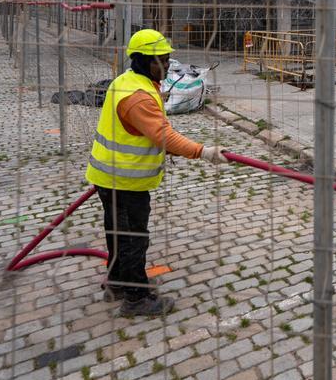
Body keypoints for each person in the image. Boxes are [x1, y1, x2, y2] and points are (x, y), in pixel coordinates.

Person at [86, 28, 229, 317]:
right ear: (141, 60)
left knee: (118, 234)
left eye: (166, 59)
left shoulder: (130, 81)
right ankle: (136, 299)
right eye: (160, 60)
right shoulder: (137, 95)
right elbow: (165, 137)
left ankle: (117, 282)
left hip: (113, 177)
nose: (166, 65)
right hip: (124, 181)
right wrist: (204, 152)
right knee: (133, 238)